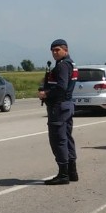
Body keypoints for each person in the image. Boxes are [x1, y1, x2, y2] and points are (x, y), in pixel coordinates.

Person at [37, 39, 78, 185]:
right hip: (66, 105)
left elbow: (61, 87)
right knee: (67, 138)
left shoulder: (62, 66)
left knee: (58, 139)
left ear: (65, 50)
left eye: (57, 50)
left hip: (59, 107)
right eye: (53, 50)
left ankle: (63, 174)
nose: (55, 53)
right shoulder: (70, 64)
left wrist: (46, 94)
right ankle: (72, 172)